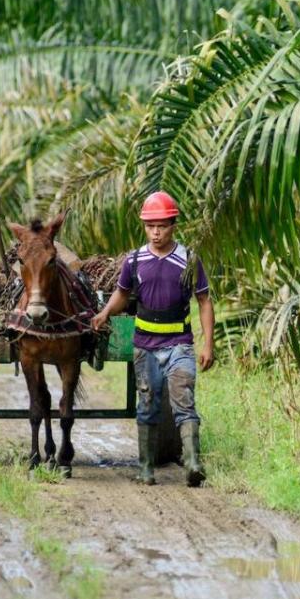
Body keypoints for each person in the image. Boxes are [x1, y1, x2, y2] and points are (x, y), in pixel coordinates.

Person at [91, 192, 215, 487]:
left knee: (184, 401)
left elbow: (204, 301)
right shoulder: (135, 261)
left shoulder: (189, 260)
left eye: (162, 226)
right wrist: (105, 313)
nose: (156, 232)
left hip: (179, 344)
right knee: (146, 404)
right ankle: (145, 468)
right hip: (145, 348)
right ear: (144, 228)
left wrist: (209, 343)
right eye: (150, 226)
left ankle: (193, 463)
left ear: (173, 225)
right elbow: (122, 293)